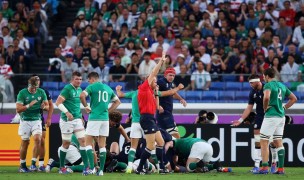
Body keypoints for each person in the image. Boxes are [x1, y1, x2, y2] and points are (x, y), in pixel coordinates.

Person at [116, 80, 184, 173]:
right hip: (147, 121)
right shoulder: (150, 93)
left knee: (134, 147)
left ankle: (130, 167)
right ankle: (156, 167)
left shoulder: (134, 93)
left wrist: (118, 90)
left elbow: (120, 95)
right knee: (152, 145)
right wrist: (178, 88)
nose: (156, 84)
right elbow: (169, 92)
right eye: (154, 82)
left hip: (135, 123)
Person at [232, 74, 277, 173]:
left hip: (270, 116)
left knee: (272, 141)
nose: (250, 85)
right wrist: (240, 120)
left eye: (251, 83)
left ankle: (274, 163)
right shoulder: (252, 92)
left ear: (257, 81)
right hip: (260, 116)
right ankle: (256, 165)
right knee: (257, 140)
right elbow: (249, 107)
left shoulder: (267, 87)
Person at [79, 72, 121, 176]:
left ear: (92, 79)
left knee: (88, 143)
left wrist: (86, 107)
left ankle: (92, 168)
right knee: (102, 145)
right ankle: (101, 170)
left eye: (89, 80)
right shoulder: (107, 88)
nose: (88, 82)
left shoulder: (92, 86)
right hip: (105, 119)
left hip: (94, 118)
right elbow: (117, 102)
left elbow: (81, 96)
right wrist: (108, 111)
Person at [257, 68, 297, 174]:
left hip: (271, 116)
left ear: (267, 76)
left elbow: (266, 98)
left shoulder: (268, 85)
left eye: (263, 76)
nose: (263, 78)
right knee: (278, 141)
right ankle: (281, 169)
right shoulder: (282, 86)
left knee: (264, 141)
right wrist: (284, 108)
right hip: (281, 117)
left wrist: (265, 108)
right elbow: (294, 98)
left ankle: (265, 167)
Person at [135, 51, 168, 175]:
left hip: (151, 118)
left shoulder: (151, 92)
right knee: (150, 146)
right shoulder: (144, 87)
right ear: (149, 81)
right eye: (155, 82)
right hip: (146, 119)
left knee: (161, 142)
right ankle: (139, 169)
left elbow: (157, 107)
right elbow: (154, 72)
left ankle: (162, 167)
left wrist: (156, 93)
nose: (156, 83)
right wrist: (161, 61)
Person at [55, 71, 90, 175]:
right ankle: (61, 167)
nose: (79, 81)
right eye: (76, 79)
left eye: (80, 79)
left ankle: (86, 167)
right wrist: (67, 112)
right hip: (67, 120)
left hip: (77, 119)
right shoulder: (67, 89)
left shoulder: (79, 89)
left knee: (83, 141)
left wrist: (82, 114)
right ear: (72, 79)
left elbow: (76, 105)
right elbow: (58, 102)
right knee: (66, 143)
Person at [16, 76, 49, 172]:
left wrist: (44, 107)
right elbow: (18, 109)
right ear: (29, 85)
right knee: (25, 143)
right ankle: (22, 165)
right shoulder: (22, 93)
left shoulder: (41, 92)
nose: (34, 90)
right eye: (32, 88)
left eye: (36, 87)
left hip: (37, 120)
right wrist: (28, 105)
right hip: (25, 120)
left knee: (38, 139)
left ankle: (33, 164)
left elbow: (47, 106)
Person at [30, 75, 54, 171]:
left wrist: (49, 118)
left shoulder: (44, 92)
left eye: (38, 79)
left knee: (42, 141)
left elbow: (50, 105)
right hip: (27, 119)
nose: (37, 81)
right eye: (35, 79)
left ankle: (40, 165)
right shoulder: (25, 92)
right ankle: (24, 163)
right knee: (26, 142)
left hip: (39, 119)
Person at [156, 67, 187, 138]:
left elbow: (172, 92)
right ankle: (180, 147)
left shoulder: (169, 83)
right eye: (170, 75)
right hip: (164, 113)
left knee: (162, 135)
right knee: (175, 134)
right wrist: (158, 106)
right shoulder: (161, 82)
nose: (172, 77)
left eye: (173, 76)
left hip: (166, 112)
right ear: (165, 75)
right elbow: (153, 94)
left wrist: (180, 99)